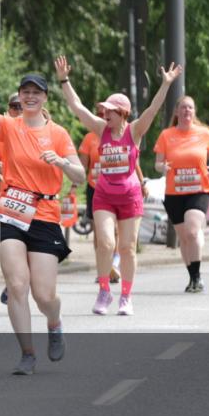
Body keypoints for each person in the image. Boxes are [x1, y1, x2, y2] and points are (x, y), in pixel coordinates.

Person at [0, 43, 85, 375]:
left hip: (44, 215)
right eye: (25, 92)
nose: (30, 96)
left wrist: (62, 163)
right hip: (11, 211)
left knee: (44, 296)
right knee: (17, 284)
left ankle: (54, 322)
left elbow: (80, 176)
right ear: (20, 96)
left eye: (36, 92)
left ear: (45, 98)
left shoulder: (58, 134)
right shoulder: (9, 127)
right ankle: (27, 353)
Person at [55, 56, 183, 316]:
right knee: (105, 243)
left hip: (130, 196)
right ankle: (104, 291)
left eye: (110, 110)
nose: (104, 114)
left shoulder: (134, 131)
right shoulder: (100, 129)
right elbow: (78, 107)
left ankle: (126, 296)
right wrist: (64, 80)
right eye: (104, 110)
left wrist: (166, 85)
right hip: (103, 195)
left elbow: (152, 110)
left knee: (127, 247)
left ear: (122, 113)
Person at [154, 96, 209, 293]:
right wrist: (162, 167)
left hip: (198, 189)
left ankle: (197, 276)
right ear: (177, 112)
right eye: (183, 108)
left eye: (190, 108)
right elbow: (158, 163)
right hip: (174, 193)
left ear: (194, 112)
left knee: (192, 231)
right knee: (184, 238)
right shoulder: (167, 135)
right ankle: (192, 275)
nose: (186, 111)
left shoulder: (204, 133)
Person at [79, 107, 148, 284]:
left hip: (126, 190)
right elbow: (83, 165)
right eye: (101, 114)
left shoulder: (130, 134)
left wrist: (142, 182)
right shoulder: (91, 138)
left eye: (107, 113)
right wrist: (73, 186)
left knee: (120, 234)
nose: (104, 116)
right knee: (102, 237)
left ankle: (115, 264)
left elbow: (133, 163)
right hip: (97, 187)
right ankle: (105, 267)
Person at [0, 94, 22, 305]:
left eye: (21, 106)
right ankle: (12, 282)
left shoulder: (45, 130)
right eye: (14, 106)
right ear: (9, 109)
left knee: (30, 249)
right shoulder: (2, 135)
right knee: (9, 247)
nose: (18, 110)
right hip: (11, 198)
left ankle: (19, 280)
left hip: (38, 202)